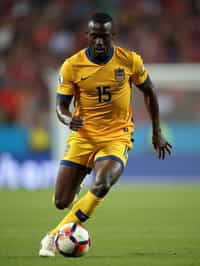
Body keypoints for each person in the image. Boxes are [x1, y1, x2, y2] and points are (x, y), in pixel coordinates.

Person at [39, 12, 172, 257]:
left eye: (104, 37)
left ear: (113, 36)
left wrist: (157, 131)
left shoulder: (129, 60)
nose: (99, 42)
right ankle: (76, 188)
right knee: (60, 201)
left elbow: (149, 92)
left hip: (116, 135)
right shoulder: (72, 65)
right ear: (87, 36)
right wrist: (69, 119)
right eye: (95, 37)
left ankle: (54, 235)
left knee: (102, 183)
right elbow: (60, 106)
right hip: (83, 136)